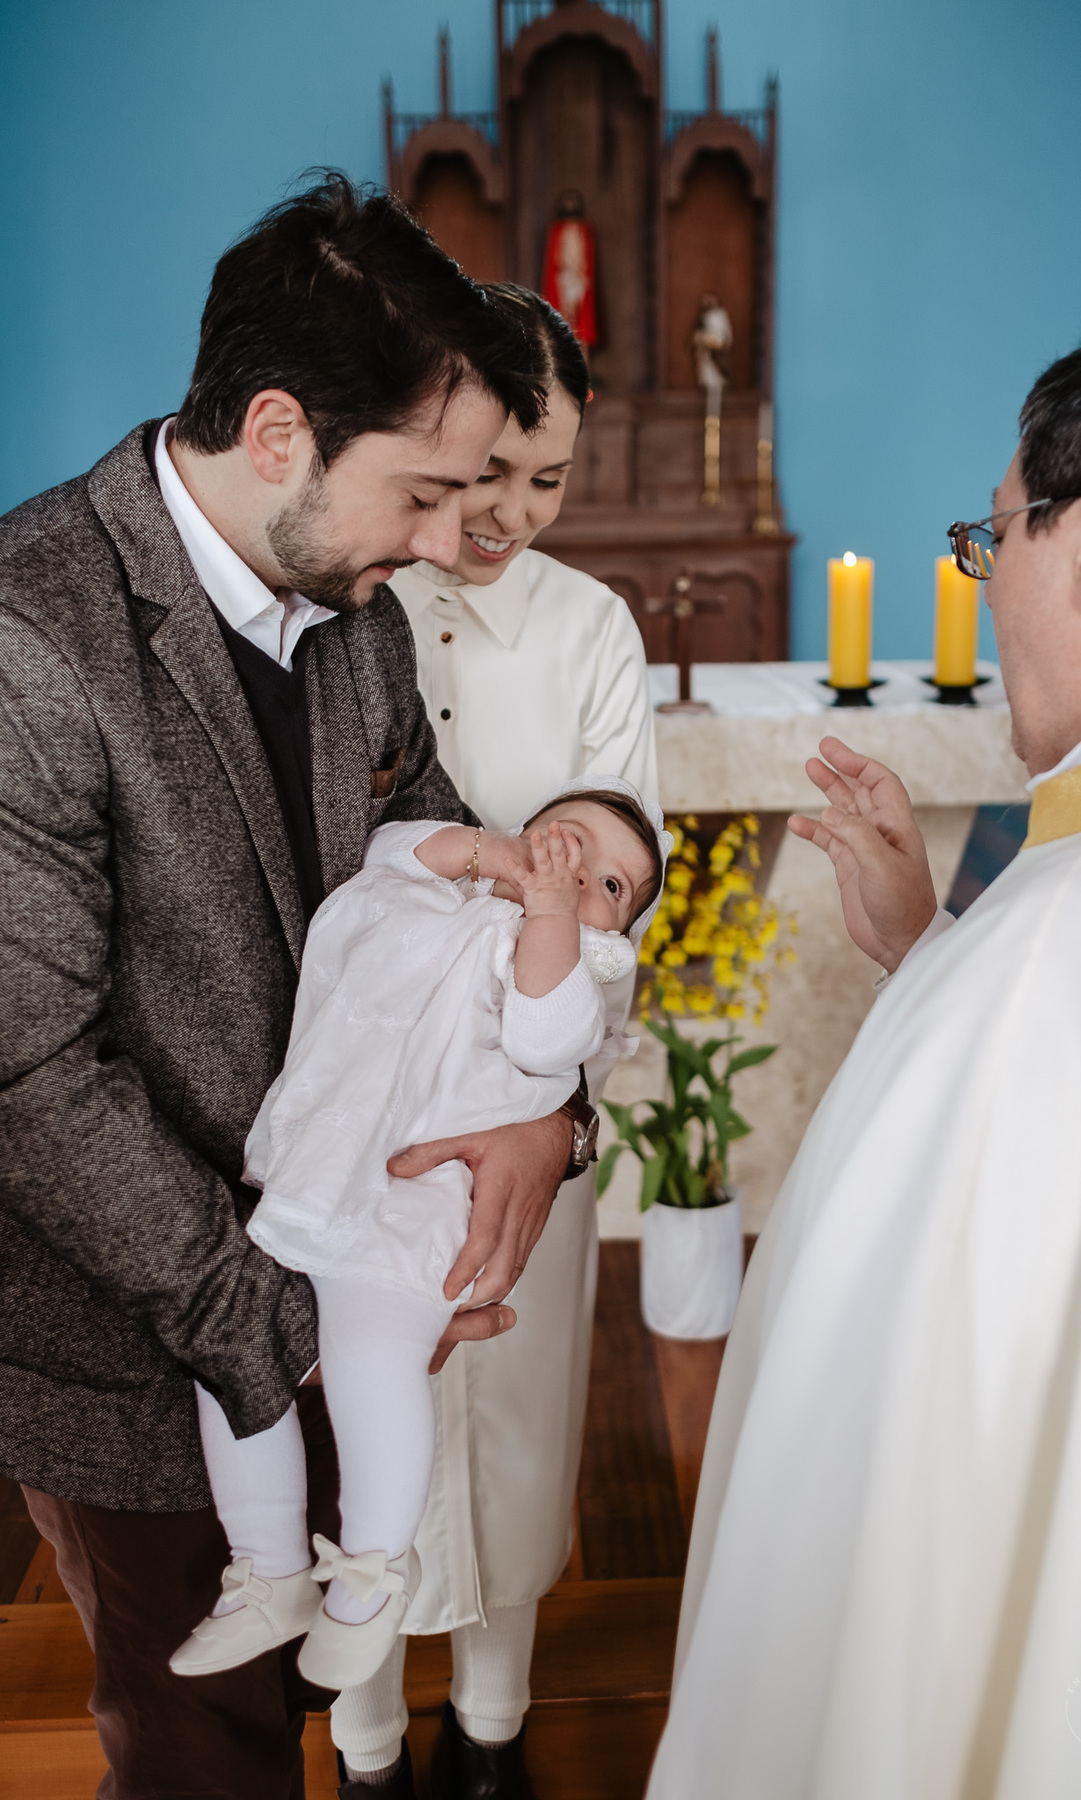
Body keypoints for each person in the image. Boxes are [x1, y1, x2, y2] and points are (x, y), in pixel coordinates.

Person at [0, 173, 602, 1800]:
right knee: (206, 1759)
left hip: (337, 1291)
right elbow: (30, 1075)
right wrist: (283, 1324)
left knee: (299, 1724)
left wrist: (548, 1114)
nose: (448, 543)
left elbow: (455, 879)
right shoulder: (28, 634)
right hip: (148, 1343)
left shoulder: (362, 610)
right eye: (423, 494)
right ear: (278, 433)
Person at [648, 311, 1081, 1800]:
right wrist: (934, 954)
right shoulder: (1053, 943)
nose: (984, 579)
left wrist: (961, 982)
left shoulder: (1047, 964)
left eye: (992, 536)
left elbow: (887, 1520)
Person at [329, 286, 656, 1799]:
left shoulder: (591, 630)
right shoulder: (351, 602)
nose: (511, 511)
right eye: (489, 470)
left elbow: (628, 893)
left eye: (550, 479)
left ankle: (497, 1733)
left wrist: (552, 1105)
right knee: (357, 1426)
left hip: (534, 1100)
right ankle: (366, 1747)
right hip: (364, 1110)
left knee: (515, 1430)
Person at [170, 783, 666, 1695]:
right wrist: (485, 853)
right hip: (318, 1176)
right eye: (567, 840)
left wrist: (551, 912)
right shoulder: (429, 894)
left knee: (372, 1363)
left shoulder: (555, 965)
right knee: (231, 1352)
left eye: (611, 885)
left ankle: (370, 1577)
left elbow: (549, 1041)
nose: (578, 870)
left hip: (414, 1212)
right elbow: (391, 849)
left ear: (616, 932)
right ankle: (266, 1565)